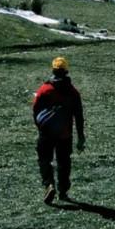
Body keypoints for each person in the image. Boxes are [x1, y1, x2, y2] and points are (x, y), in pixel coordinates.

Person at [33, 56, 85, 204]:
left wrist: (40, 127)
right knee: (64, 162)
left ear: (53, 71)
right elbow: (79, 116)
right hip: (65, 134)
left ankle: (49, 184)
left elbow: (36, 110)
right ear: (66, 71)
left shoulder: (44, 89)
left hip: (46, 133)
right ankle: (63, 191)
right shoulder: (73, 92)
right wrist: (81, 137)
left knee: (44, 159)